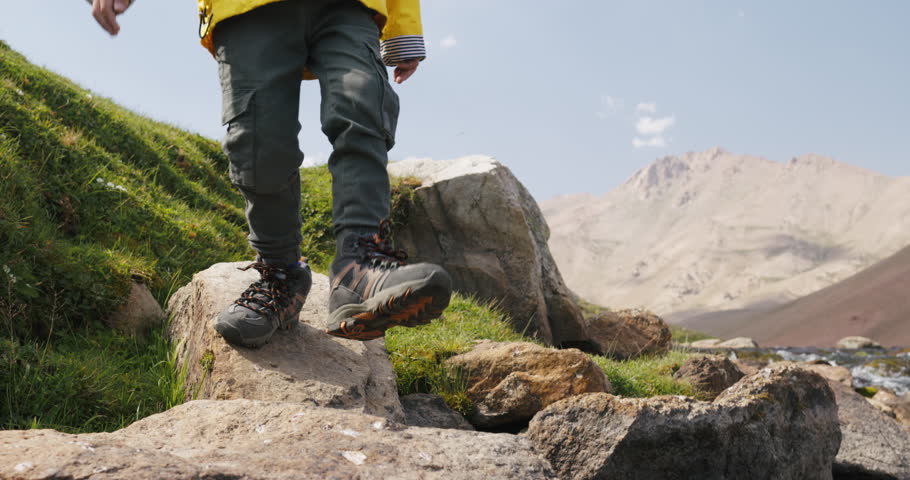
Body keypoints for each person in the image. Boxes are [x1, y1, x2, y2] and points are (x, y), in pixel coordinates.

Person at [90, 0, 452, 347]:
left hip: (350, 7)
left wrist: (403, 30)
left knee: (362, 107)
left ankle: (359, 269)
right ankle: (281, 276)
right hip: (247, 9)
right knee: (257, 145)